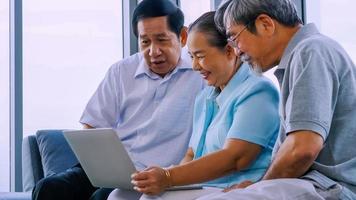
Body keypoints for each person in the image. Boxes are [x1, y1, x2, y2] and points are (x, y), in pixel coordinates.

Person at [31, 0, 205, 200]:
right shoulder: (121, 71)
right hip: (112, 170)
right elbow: (92, 124)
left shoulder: (200, 73)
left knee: (104, 196)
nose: (153, 51)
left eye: (162, 40)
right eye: (145, 41)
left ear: (182, 36)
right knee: (49, 188)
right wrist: (103, 167)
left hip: (158, 175)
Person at [108, 11, 280, 200]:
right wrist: (160, 179)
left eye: (200, 56)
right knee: (119, 196)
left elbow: (236, 158)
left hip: (235, 188)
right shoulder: (205, 96)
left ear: (230, 51)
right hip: (205, 186)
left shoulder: (258, 90)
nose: (195, 66)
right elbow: (191, 154)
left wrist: (168, 177)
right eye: (191, 57)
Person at [196, 0, 356, 199]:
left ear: (265, 24)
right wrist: (257, 186)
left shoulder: (311, 51)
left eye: (235, 38)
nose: (237, 51)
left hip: (331, 187)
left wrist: (259, 187)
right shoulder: (305, 54)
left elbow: (301, 149)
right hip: (313, 184)